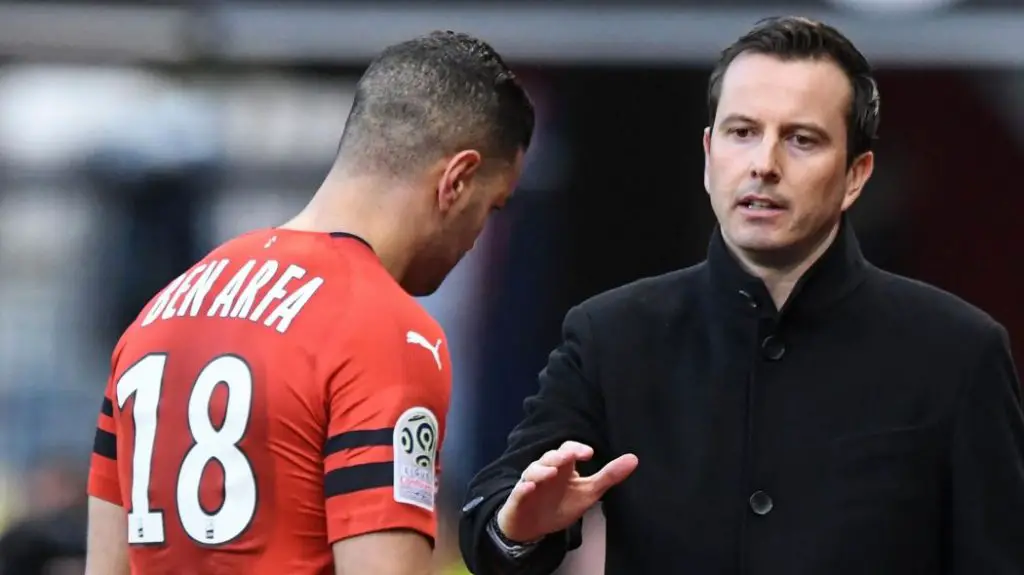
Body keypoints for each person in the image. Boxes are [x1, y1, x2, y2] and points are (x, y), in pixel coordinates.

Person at [459, 16, 1024, 575]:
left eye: (801, 140)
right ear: (709, 156)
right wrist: (518, 529)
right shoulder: (613, 335)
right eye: (742, 132)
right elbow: (492, 519)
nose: (764, 165)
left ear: (856, 174)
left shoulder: (958, 353)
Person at [84, 30, 534, 575]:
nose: (479, 236)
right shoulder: (388, 331)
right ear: (456, 181)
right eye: (492, 206)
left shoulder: (159, 312)